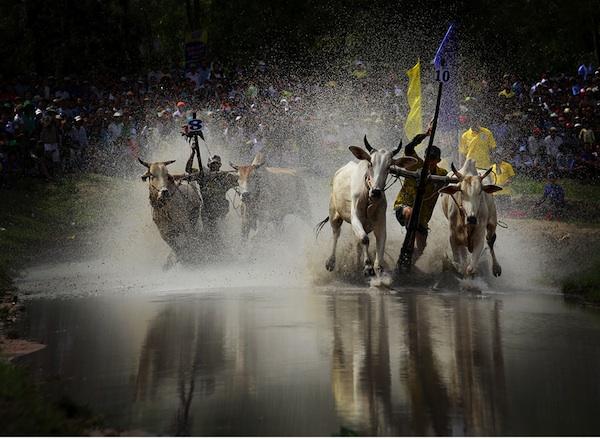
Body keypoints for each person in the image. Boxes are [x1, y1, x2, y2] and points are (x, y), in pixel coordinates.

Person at [394, 127, 448, 263]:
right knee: (410, 212)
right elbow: (409, 147)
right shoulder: (415, 164)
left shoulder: (442, 174)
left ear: (438, 160)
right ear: (424, 157)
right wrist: (425, 135)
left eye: (433, 159)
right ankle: (408, 242)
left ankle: (409, 264)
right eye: (428, 158)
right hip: (404, 207)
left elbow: (451, 183)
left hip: (422, 219)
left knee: (422, 247)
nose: (429, 162)